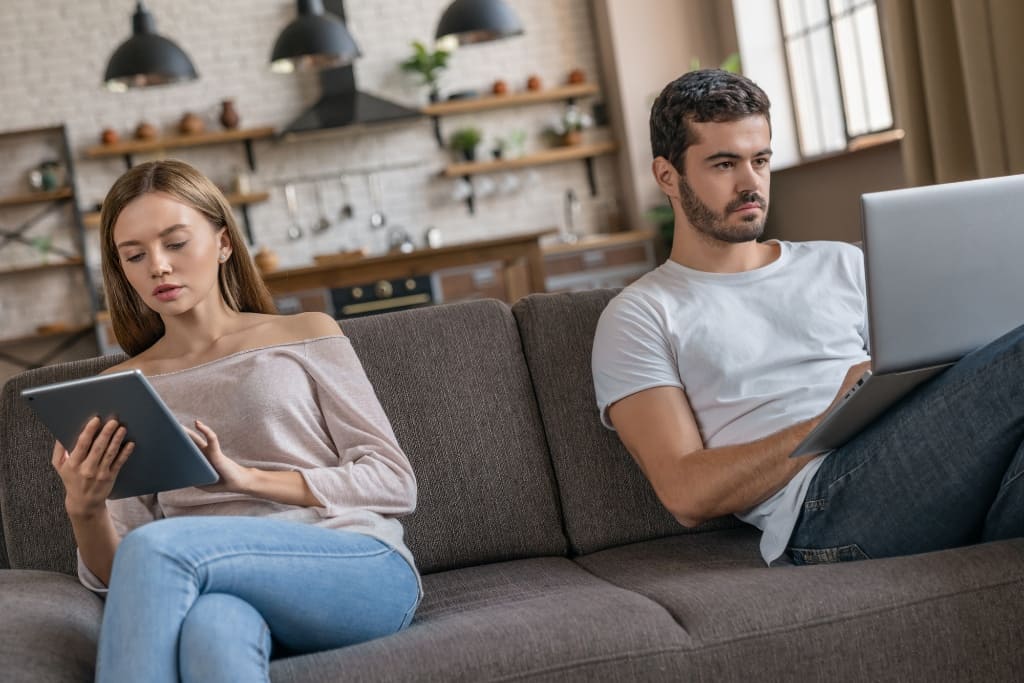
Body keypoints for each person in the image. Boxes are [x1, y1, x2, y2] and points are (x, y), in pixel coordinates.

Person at [592, 69, 1023, 567]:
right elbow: (684, 492)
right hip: (823, 507)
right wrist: (833, 420)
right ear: (668, 175)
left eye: (760, 160)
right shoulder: (640, 315)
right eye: (724, 163)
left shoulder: (842, 262)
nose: (750, 182)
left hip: (917, 462)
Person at [51, 159, 420, 682]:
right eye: (135, 255)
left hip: (354, 564)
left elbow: (395, 481)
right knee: (211, 630)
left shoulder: (304, 333)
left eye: (175, 243)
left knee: (155, 548)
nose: (157, 266)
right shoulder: (125, 387)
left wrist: (251, 480)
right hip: (214, 588)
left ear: (223, 243)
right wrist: (85, 509)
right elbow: (124, 577)